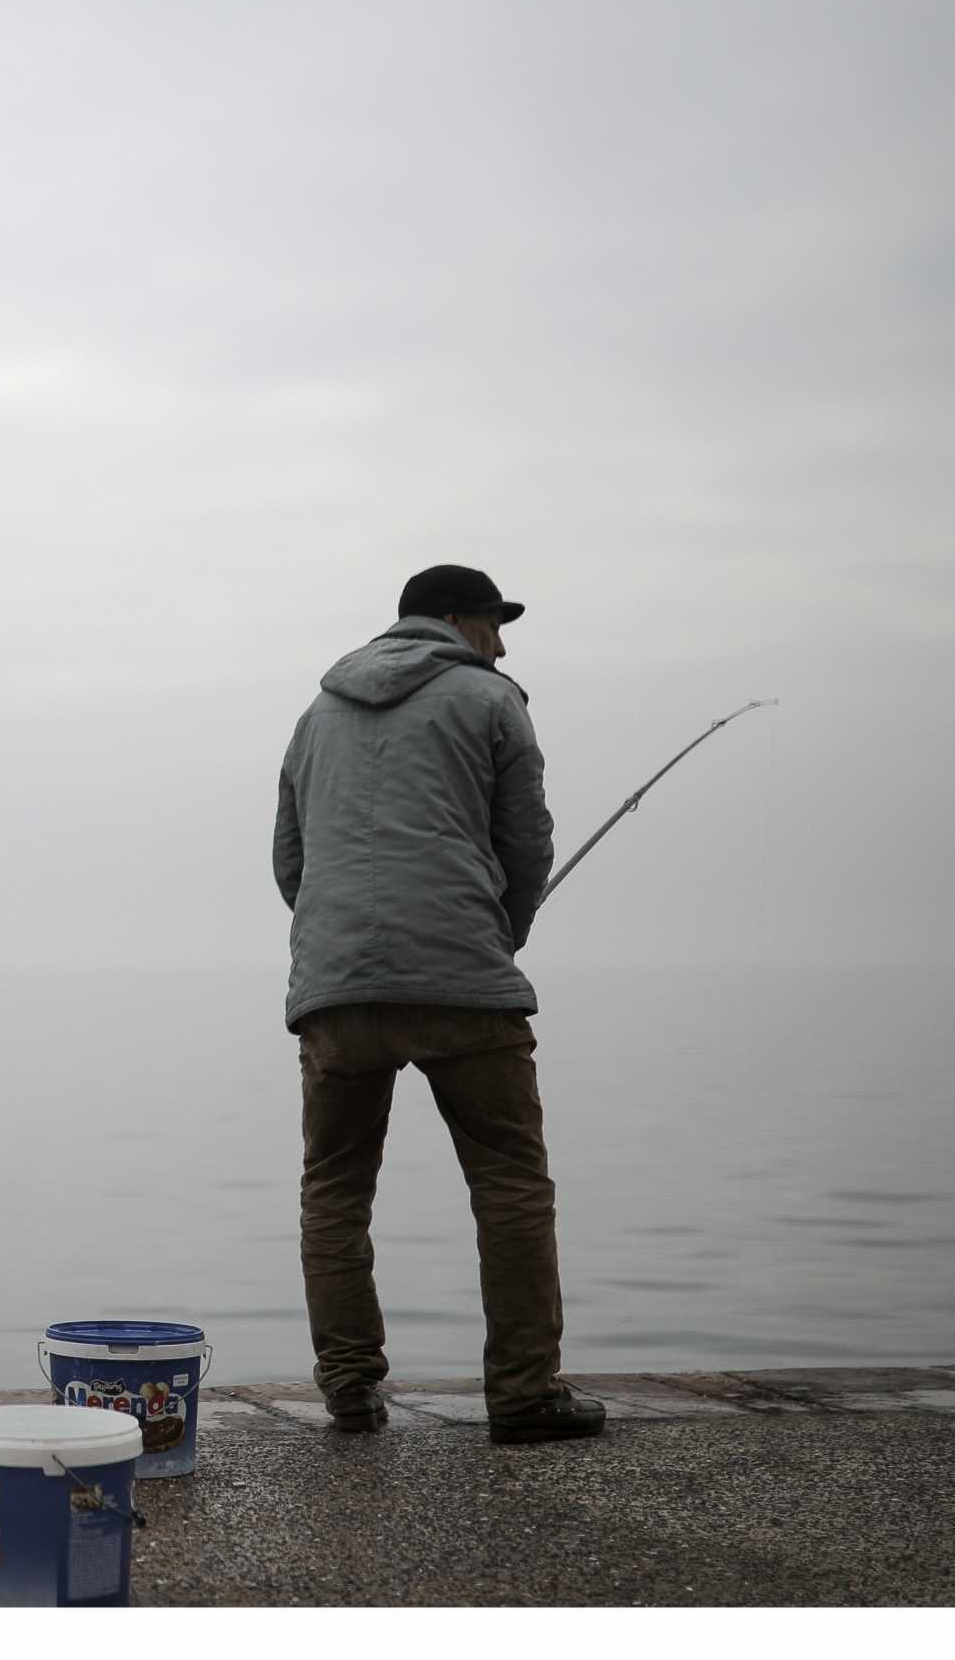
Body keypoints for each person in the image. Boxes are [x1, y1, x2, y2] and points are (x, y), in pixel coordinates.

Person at [270, 565, 605, 1444]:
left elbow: (290, 863)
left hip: (337, 990)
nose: (502, 641)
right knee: (510, 1183)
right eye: (495, 623)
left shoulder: (317, 715)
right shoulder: (491, 700)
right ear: (457, 620)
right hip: (464, 980)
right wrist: (503, 933)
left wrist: (342, 946)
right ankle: (525, 1395)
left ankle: (349, 1391)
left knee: (334, 1190)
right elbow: (526, 839)